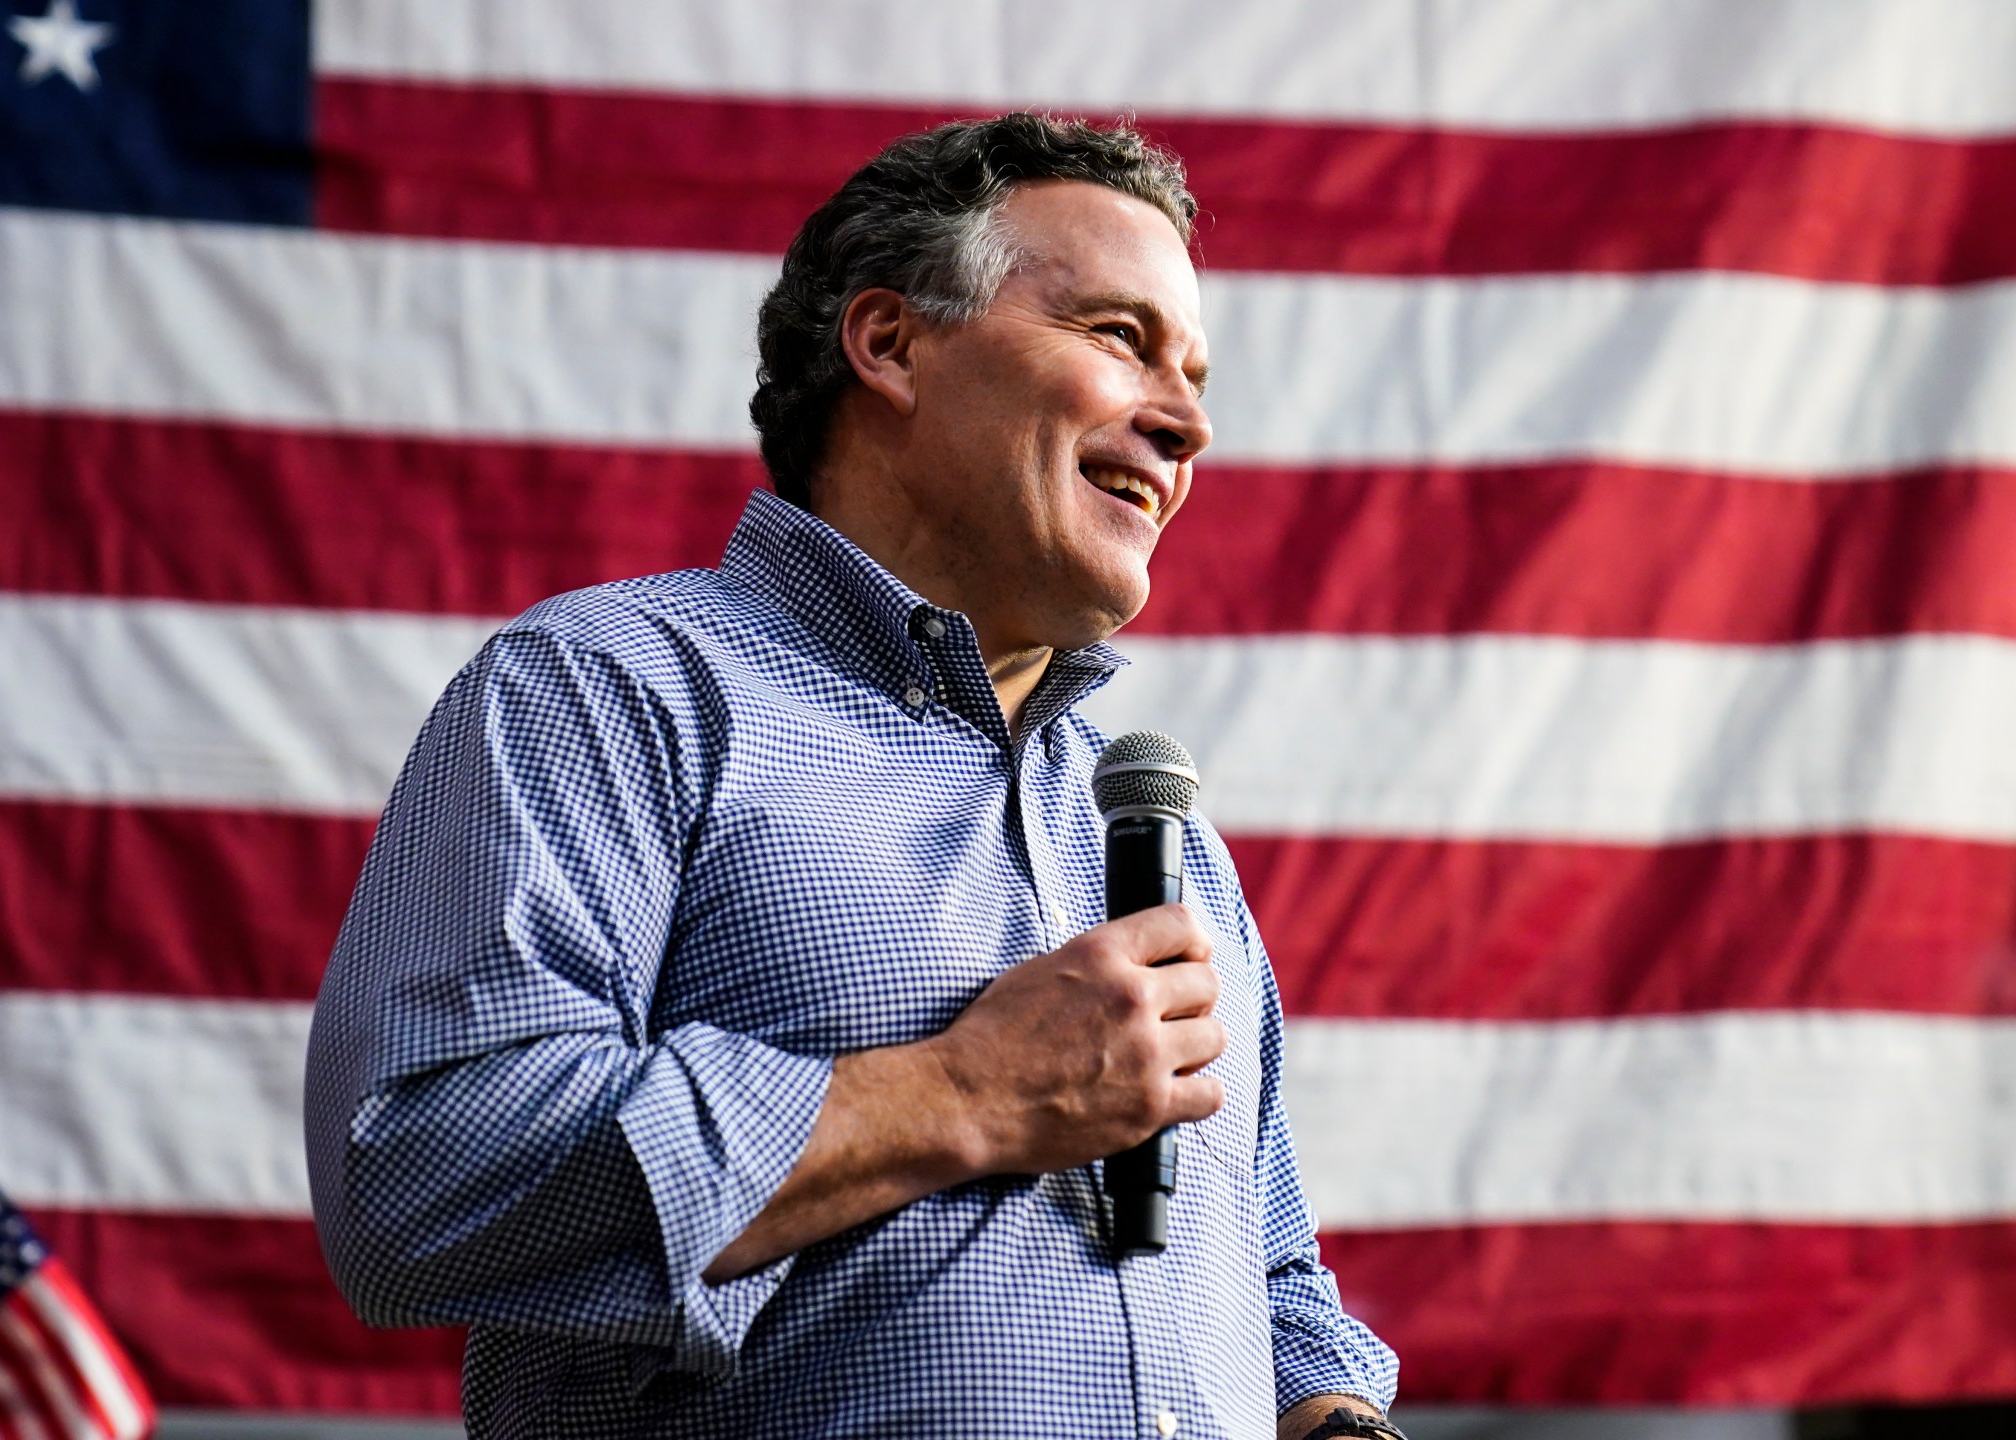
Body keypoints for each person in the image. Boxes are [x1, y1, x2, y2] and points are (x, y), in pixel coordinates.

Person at [305, 113, 1402, 1440]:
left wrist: (1332, 1410)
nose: (1188, 425)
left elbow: (1273, 1277)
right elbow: (419, 1172)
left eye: (1195, 371)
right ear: (889, 344)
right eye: (1121, 338)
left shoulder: (1156, 832)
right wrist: (959, 1095)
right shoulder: (610, 689)